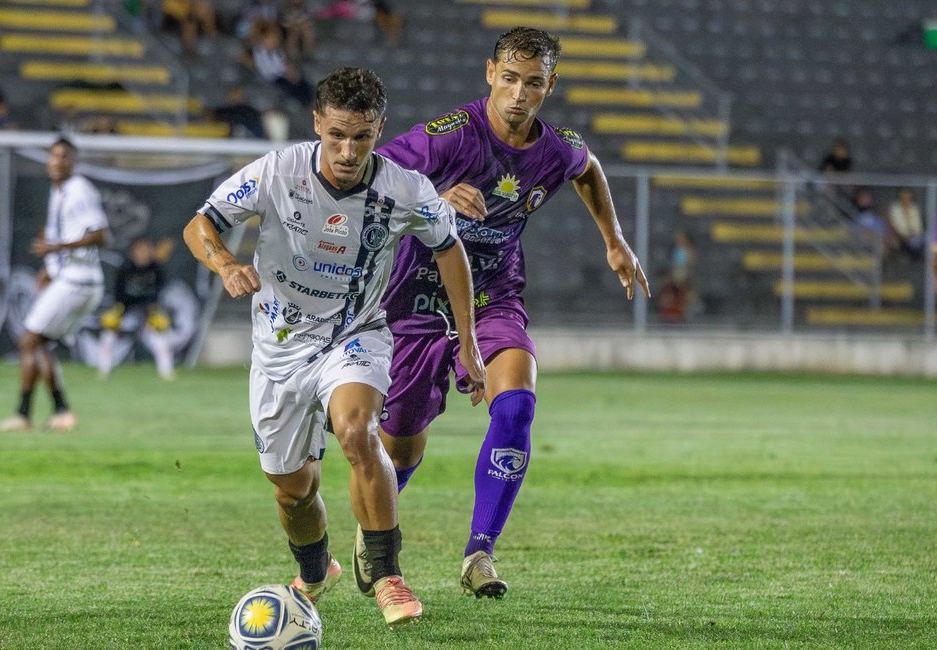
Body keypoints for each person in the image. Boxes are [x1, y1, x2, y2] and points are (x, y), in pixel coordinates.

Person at [182, 66, 485, 626]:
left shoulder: (405, 188)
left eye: (362, 137)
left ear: (379, 129)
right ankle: (317, 566)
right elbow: (202, 224)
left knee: (356, 428)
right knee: (293, 491)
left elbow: (450, 249)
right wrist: (224, 262)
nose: (348, 150)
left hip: (356, 335)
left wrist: (468, 341)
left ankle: (388, 573)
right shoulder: (277, 171)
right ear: (317, 123)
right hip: (278, 347)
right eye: (337, 135)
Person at [357, 26, 650, 600]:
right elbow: (370, 176)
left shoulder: (556, 147)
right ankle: (374, 537)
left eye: (533, 83)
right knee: (400, 448)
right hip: (416, 295)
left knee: (515, 405)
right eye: (509, 78)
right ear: (490, 73)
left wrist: (613, 240)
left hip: (494, 290)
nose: (519, 93)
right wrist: (433, 199)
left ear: (550, 85)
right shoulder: (448, 138)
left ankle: (479, 553)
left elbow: (587, 168)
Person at [0, 137, 109, 433]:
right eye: (52, 156)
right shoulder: (60, 191)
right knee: (39, 343)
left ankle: (23, 415)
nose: (56, 161)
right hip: (73, 278)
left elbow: (100, 235)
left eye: (63, 156)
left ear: (73, 161)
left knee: (29, 340)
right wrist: (50, 267)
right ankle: (62, 413)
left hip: (79, 280)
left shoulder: (78, 190)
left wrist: (57, 248)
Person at [98, 237, 176, 380]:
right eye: (139, 250)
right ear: (133, 252)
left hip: (147, 312)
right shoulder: (125, 267)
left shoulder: (156, 269)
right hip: (127, 310)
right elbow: (119, 294)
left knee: (160, 339)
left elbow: (157, 293)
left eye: (146, 249)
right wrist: (118, 311)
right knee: (108, 336)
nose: (143, 253)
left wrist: (153, 310)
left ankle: (167, 373)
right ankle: (103, 372)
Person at [887, 187, 924, 261]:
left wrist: (915, 233)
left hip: (916, 235)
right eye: (904, 196)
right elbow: (896, 226)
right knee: (915, 243)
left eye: (908, 197)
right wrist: (905, 235)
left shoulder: (914, 208)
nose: (906, 199)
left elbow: (918, 226)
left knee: (929, 239)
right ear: (900, 197)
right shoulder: (895, 208)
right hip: (901, 237)